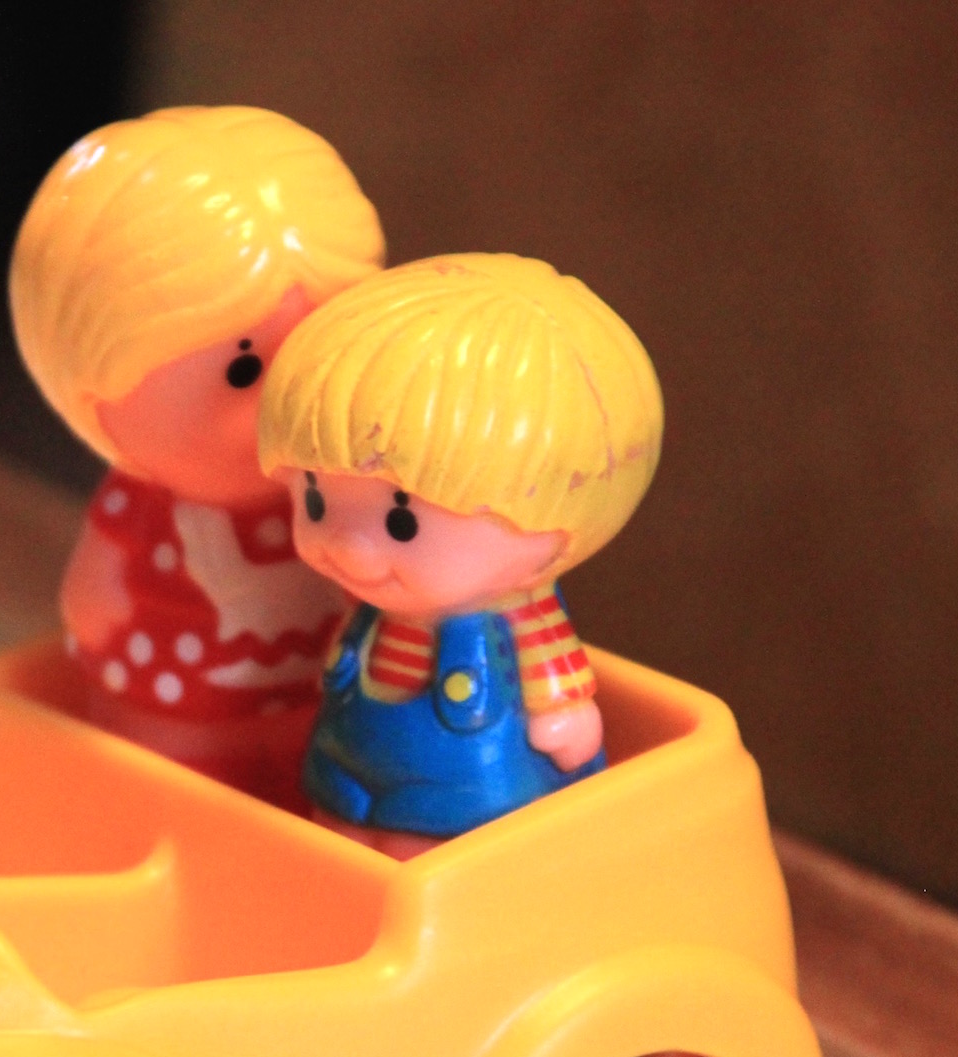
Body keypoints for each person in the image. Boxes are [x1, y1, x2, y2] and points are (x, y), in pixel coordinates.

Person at [10, 106, 384, 807]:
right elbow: (92, 600)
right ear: (92, 385)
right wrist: (100, 617)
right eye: (244, 373)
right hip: (172, 712)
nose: (284, 398)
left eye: (313, 355)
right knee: (172, 800)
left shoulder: (340, 493)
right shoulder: (141, 506)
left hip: (319, 702)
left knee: (315, 785)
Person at [257, 253, 664, 856]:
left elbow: (560, 690)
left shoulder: (523, 623)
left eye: (400, 521)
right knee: (336, 839)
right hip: (347, 773)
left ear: (551, 533)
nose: (345, 545)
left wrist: (564, 719)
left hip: (464, 802)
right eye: (315, 499)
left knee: (423, 859)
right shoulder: (373, 616)